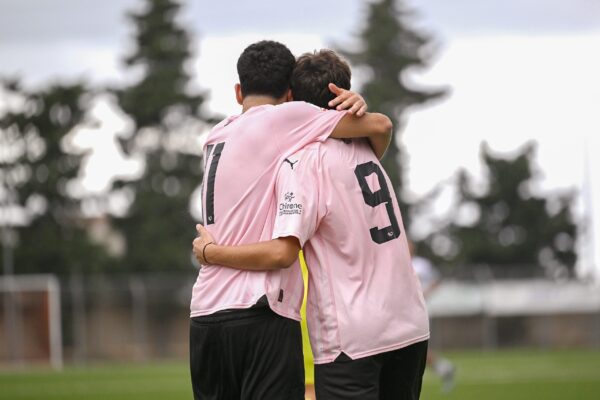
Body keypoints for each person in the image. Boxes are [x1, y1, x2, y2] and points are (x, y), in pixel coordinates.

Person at [194, 49, 430, 400]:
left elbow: (282, 251)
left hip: (353, 334)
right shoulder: (369, 150)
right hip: (409, 323)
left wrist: (211, 252)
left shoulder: (300, 162)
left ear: (293, 100)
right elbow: (381, 125)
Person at [408, 241, 456, 394]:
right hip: (402, 311)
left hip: (418, 310)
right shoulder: (396, 261)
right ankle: (444, 368)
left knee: (412, 345)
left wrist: (425, 293)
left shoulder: (421, 264)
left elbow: (436, 281)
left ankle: (443, 368)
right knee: (409, 346)